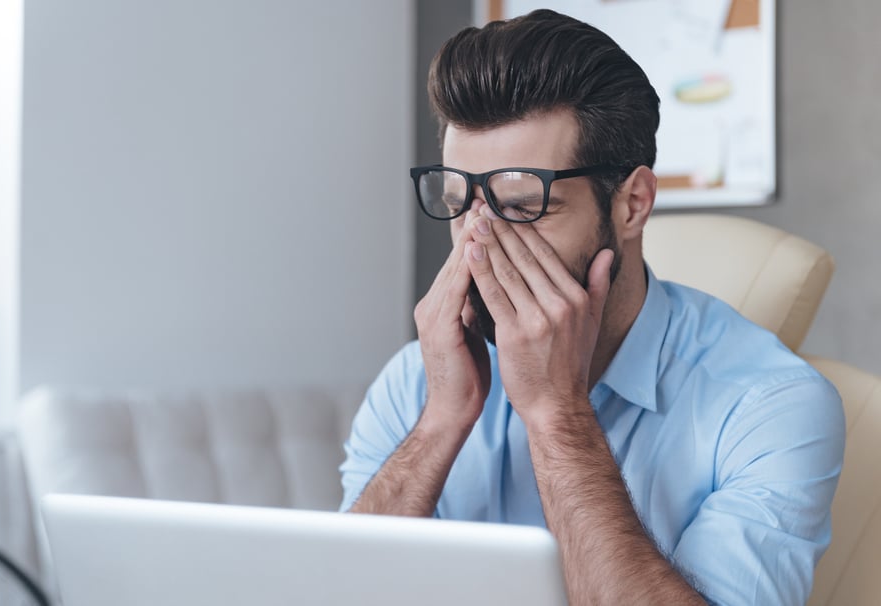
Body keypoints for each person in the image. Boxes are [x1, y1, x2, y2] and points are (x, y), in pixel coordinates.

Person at [339, 9, 845, 606]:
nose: (478, 243)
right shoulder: (418, 380)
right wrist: (441, 421)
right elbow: (336, 589)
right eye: (458, 201)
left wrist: (557, 414)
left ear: (631, 203)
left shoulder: (770, 406)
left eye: (523, 206)